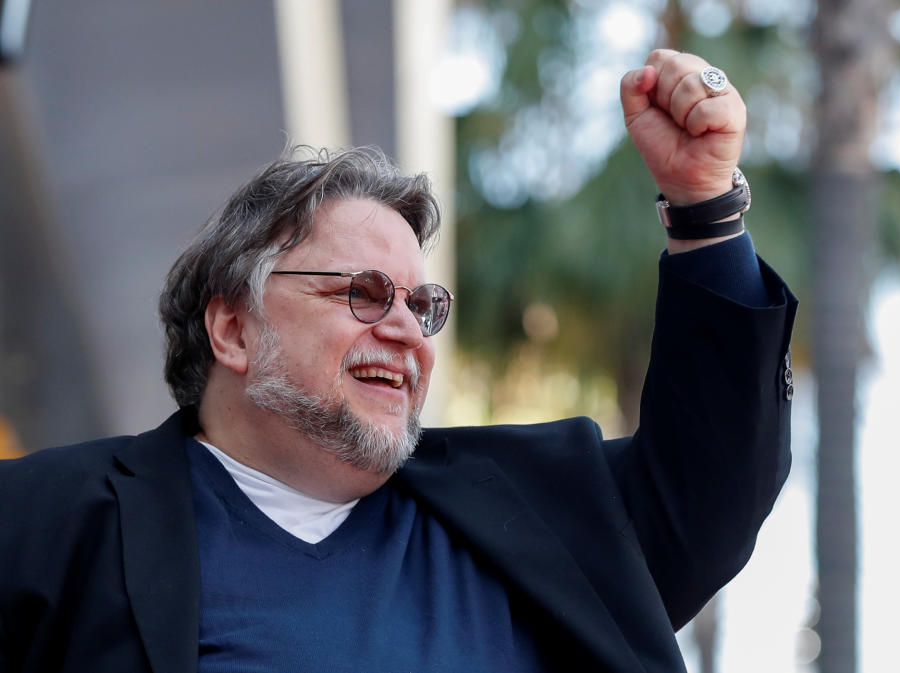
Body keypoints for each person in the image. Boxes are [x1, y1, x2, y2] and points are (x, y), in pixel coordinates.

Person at [0, 50, 797, 672]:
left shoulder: (536, 517)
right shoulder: (46, 520)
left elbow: (709, 487)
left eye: (421, 306)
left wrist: (705, 206)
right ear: (234, 330)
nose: (410, 332)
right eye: (366, 293)